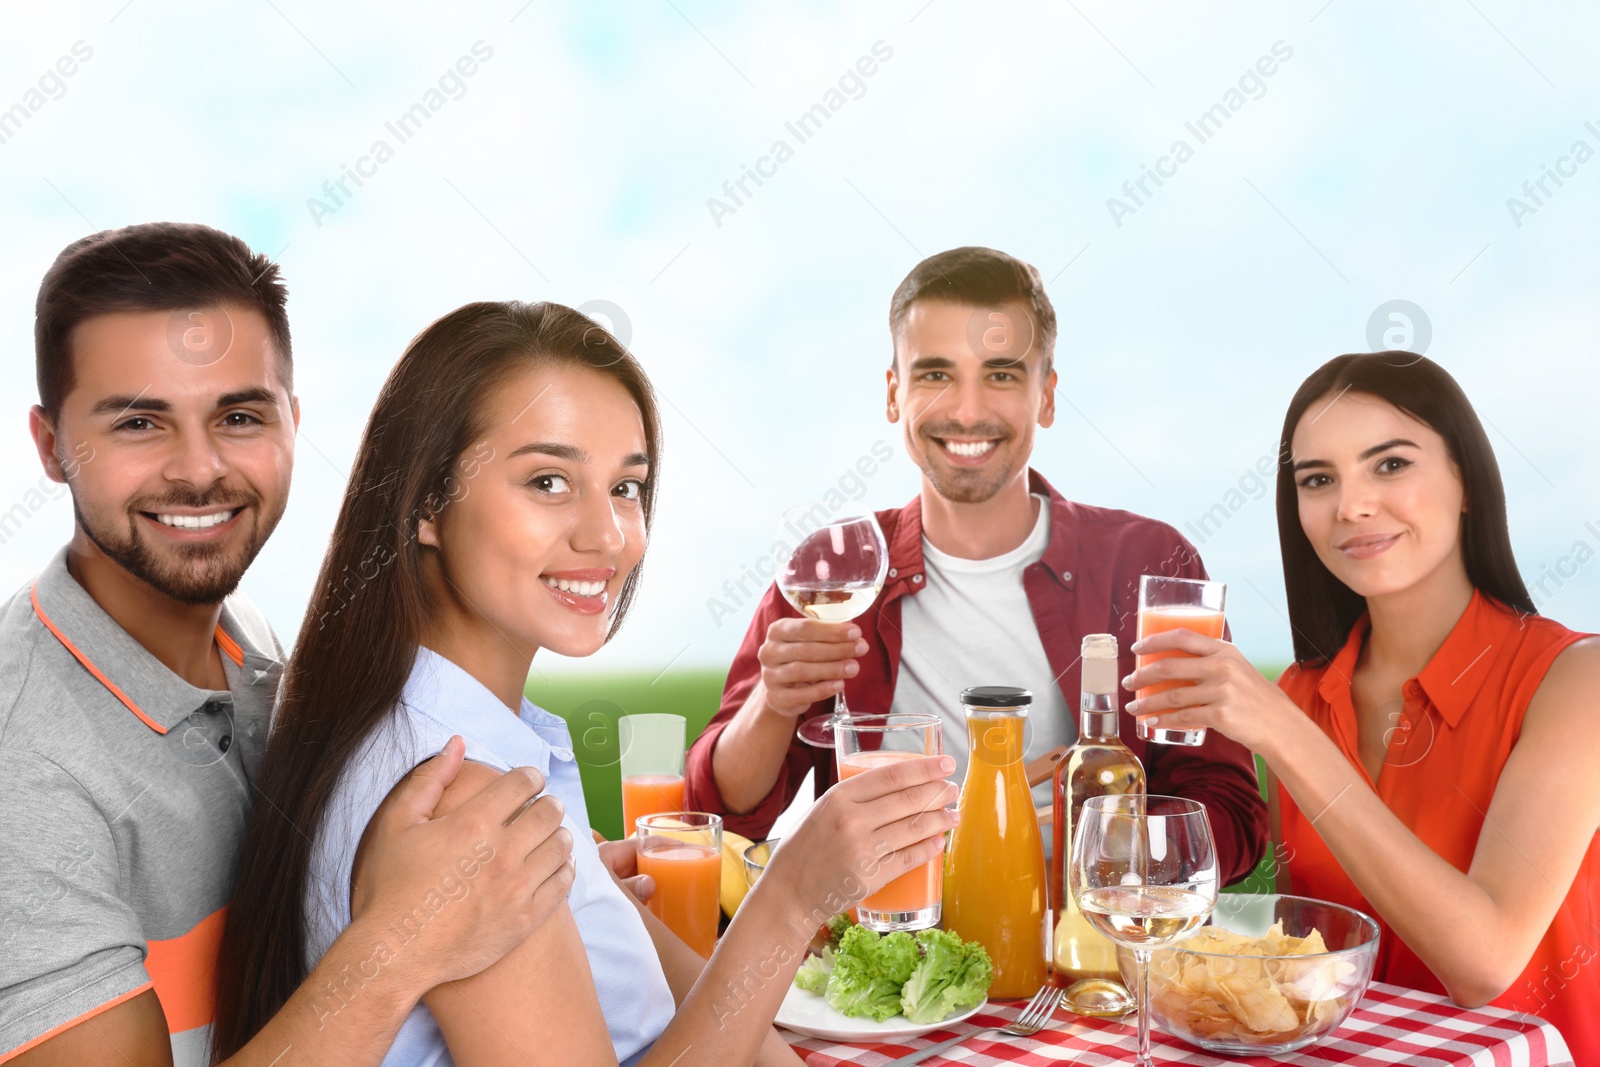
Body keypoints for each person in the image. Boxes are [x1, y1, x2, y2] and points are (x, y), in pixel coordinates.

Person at [213, 300, 958, 1067]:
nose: (606, 535)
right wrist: (792, 899)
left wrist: (607, 902)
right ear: (427, 504)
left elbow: (716, 1021)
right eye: (548, 480)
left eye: (626, 488)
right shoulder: (465, 809)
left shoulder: (463, 743)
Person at [0, 225, 578, 1067]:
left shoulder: (250, 644)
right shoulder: (24, 769)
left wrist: (533, 890)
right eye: (138, 422)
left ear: (293, 423)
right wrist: (402, 943)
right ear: (52, 447)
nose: (199, 470)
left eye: (239, 415)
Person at [685, 246, 1268, 885]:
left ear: (1045, 396)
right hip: (890, 953)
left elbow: (1234, 820)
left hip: (1079, 953)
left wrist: (1094, 861)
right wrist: (771, 705)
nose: (967, 412)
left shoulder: (1148, 561)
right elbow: (718, 815)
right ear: (894, 393)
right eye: (935, 375)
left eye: (1001, 375)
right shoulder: (833, 572)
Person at [1123, 352, 1600, 1059]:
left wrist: (1286, 735)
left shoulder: (1575, 682)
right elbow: (1311, 960)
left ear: (1466, 479)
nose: (1351, 506)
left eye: (1390, 464)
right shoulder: (1303, 696)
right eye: (1319, 480)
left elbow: (1485, 962)